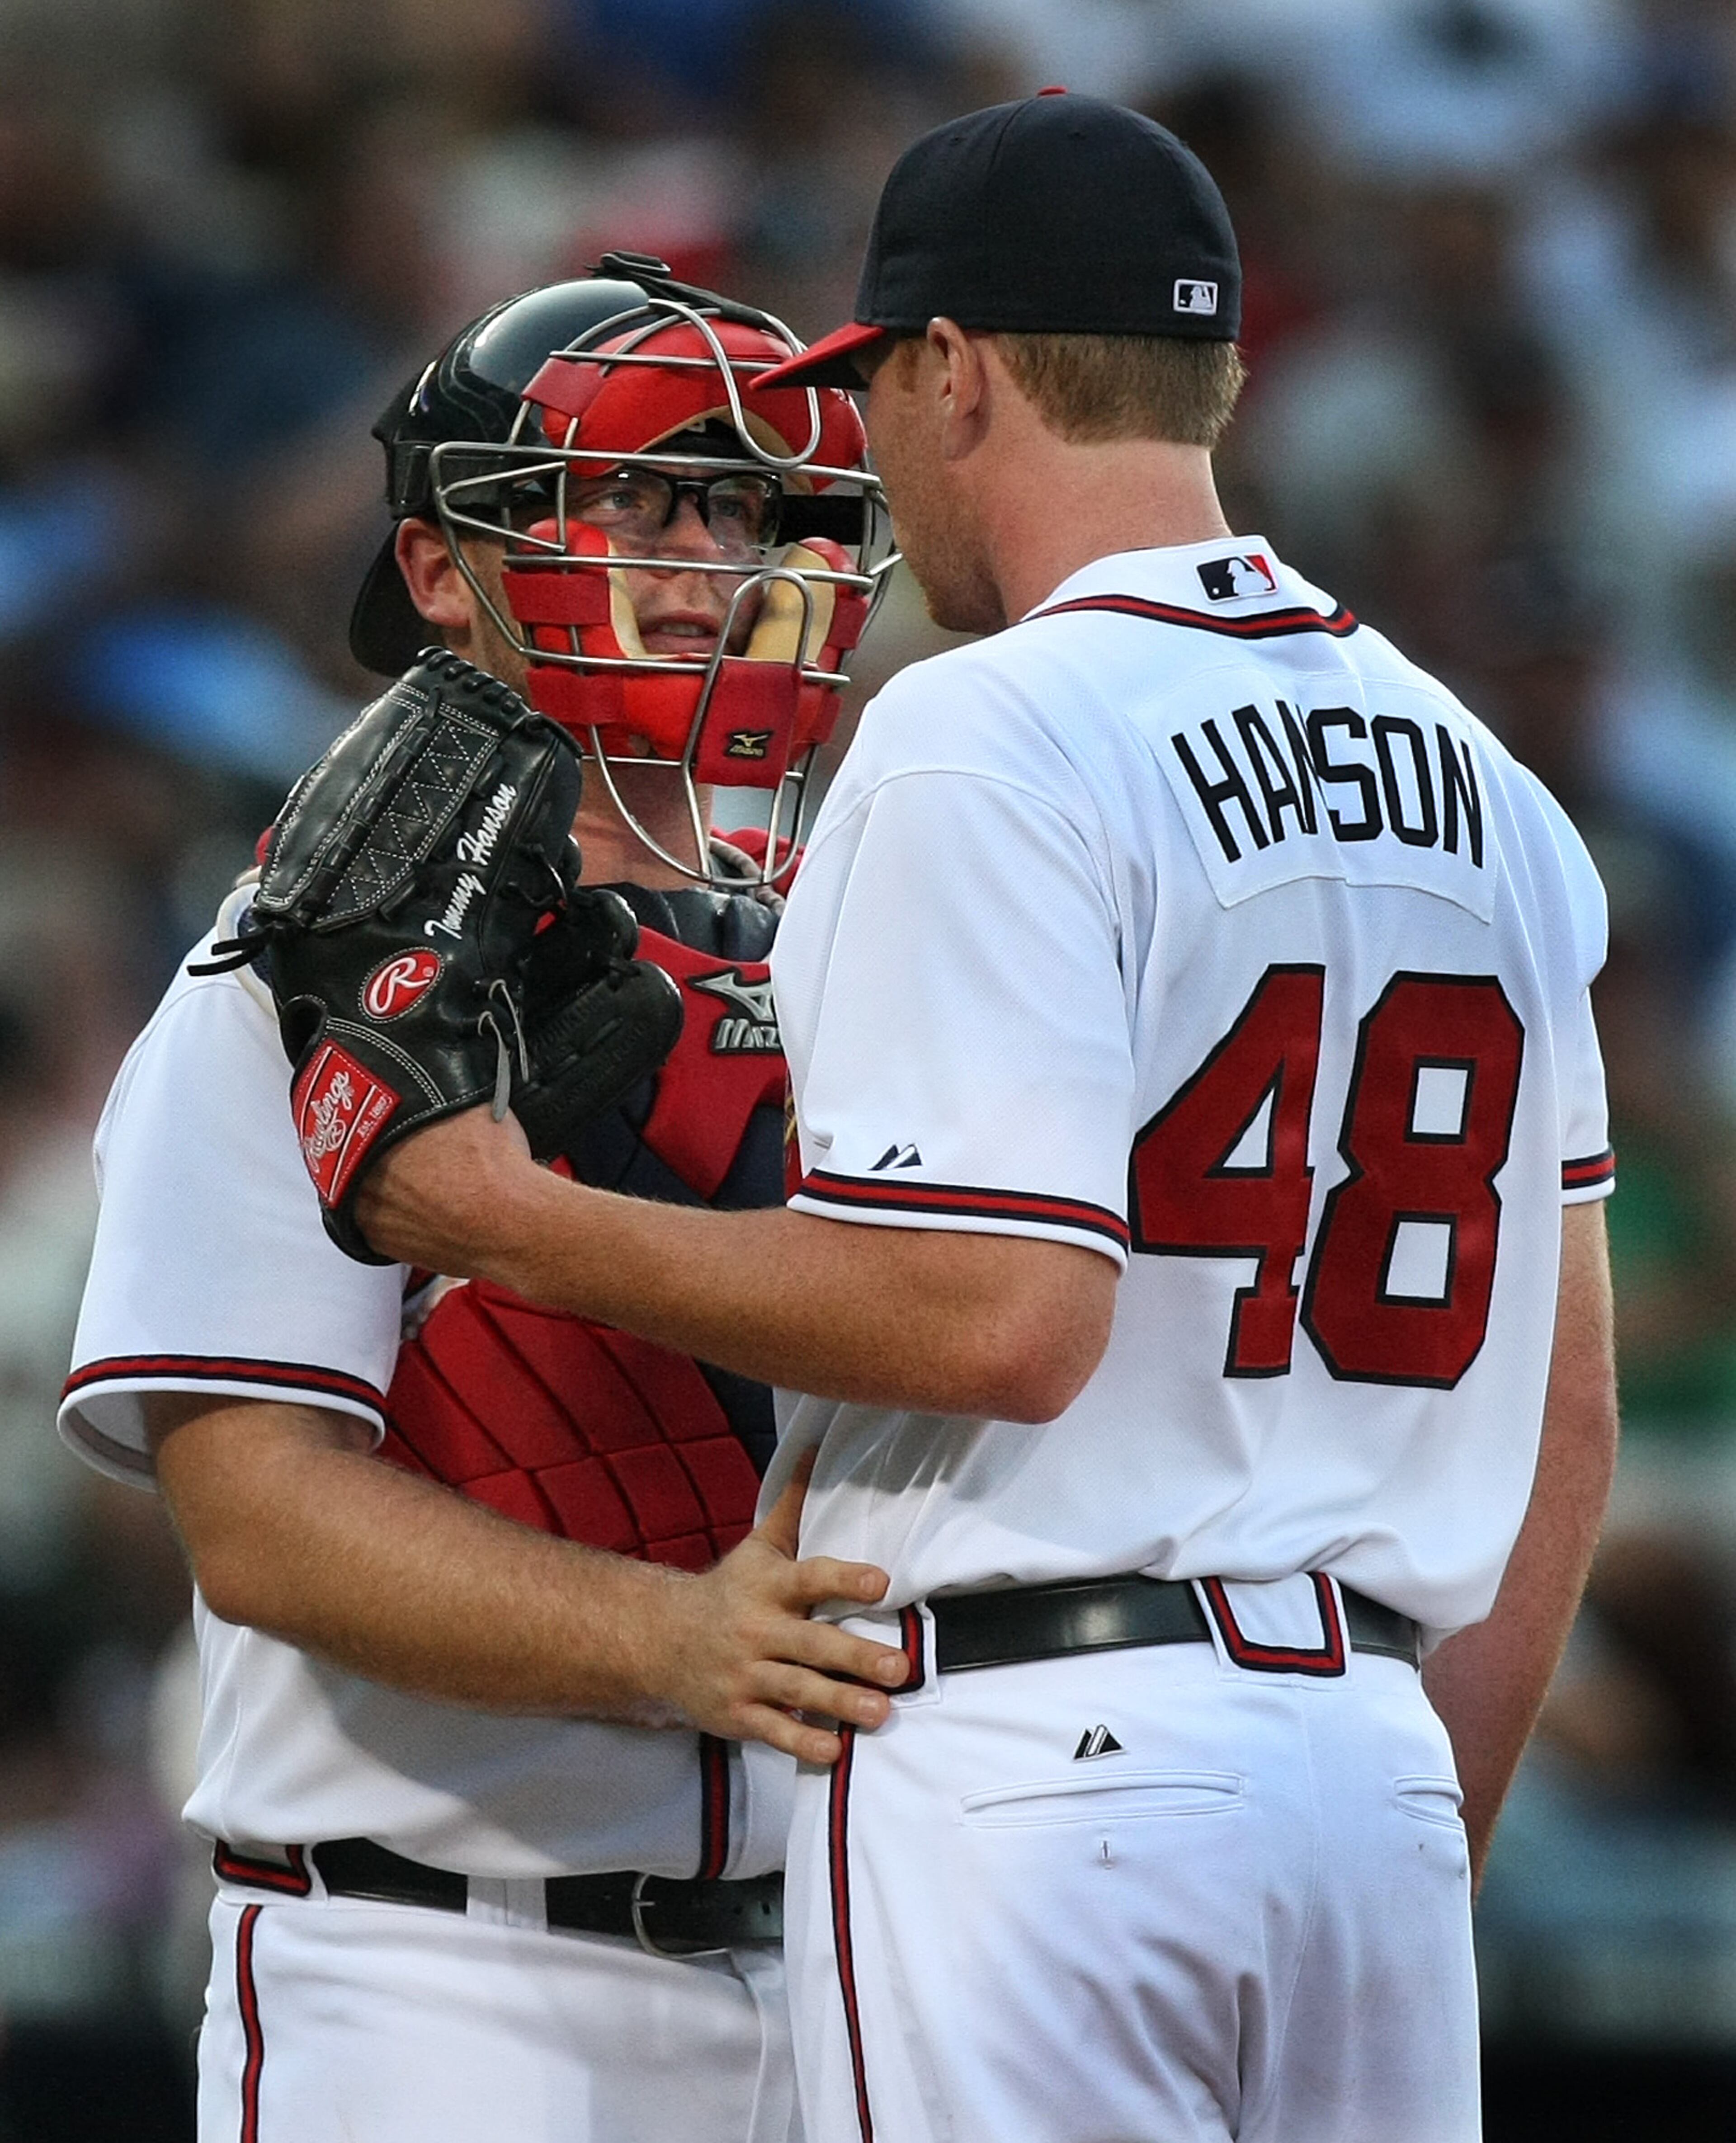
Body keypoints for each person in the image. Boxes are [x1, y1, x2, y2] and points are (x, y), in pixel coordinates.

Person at [315, 99, 1617, 2143]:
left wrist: (501, 1213)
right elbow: (1565, 1413)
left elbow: (999, 1323)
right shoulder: (1492, 786)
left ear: (957, 368)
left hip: (1045, 1750)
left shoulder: (985, 723)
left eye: (881, 391)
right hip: (1373, 1761)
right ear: (1223, 378)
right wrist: (1393, 1819)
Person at [57, 256, 910, 2143]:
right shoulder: (281, 978)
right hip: (439, 1976)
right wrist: (673, 1639)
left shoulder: (883, 946)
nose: (710, 554)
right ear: (450, 567)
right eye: (642, 495)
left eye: (748, 501)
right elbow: (261, 1521)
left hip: (856, 1969)